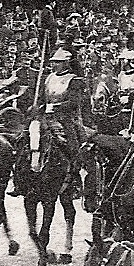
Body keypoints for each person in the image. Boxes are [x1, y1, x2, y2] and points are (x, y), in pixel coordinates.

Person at [40, 46, 89, 195]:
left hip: (67, 118)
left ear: (65, 63)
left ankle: (75, 180)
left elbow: (74, 102)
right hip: (47, 117)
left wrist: (55, 107)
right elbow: (44, 97)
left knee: (72, 147)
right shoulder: (49, 77)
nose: (54, 65)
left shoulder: (74, 80)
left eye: (58, 62)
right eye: (53, 62)